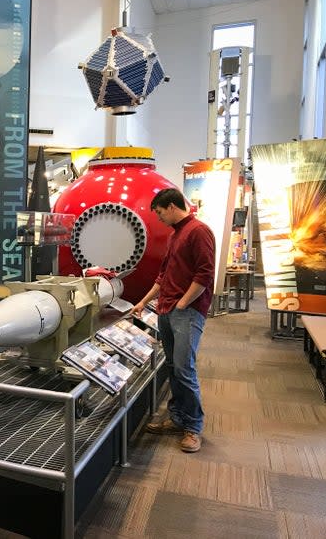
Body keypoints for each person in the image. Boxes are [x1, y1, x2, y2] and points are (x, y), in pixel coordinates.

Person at [132, 188, 215, 453]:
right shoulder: (176, 235)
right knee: (173, 367)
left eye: (158, 212)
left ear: (170, 206)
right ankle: (178, 417)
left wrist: (182, 303)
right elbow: (163, 275)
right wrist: (145, 301)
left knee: (184, 369)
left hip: (186, 312)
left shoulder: (199, 231)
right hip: (167, 311)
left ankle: (193, 428)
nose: (158, 218)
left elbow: (205, 275)